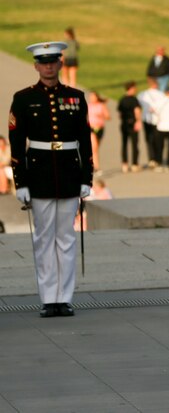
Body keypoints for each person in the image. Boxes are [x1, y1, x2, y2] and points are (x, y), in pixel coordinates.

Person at [8, 41, 93, 318]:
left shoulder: (76, 97)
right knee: (44, 239)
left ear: (60, 64)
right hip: (40, 172)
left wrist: (86, 177)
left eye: (52, 61)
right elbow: (17, 141)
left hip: (68, 172)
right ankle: (48, 298)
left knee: (66, 238)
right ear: (35, 66)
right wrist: (20, 181)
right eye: (43, 62)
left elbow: (84, 140)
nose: (48, 66)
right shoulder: (23, 98)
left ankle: (64, 298)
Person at [137, 78, 165, 169]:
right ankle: (158, 158)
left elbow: (138, 106)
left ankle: (151, 158)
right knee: (158, 140)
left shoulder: (142, 94)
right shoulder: (161, 95)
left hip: (146, 119)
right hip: (158, 120)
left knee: (149, 139)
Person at [117, 81, 142, 173]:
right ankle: (134, 164)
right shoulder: (134, 99)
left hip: (124, 124)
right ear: (131, 88)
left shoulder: (122, 99)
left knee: (124, 144)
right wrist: (138, 121)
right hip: (132, 123)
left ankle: (125, 164)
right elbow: (137, 111)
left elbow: (119, 114)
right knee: (134, 144)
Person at [86, 90, 110, 172]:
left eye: (93, 96)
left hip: (100, 128)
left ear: (97, 97)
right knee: (94, 147)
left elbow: (108, 117)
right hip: (91, 128)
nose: (91, 98)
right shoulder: (88, 106)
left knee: (96, 148)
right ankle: (96, 167)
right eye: (90, 97)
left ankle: (91, 162)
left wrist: (101, 115)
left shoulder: (101, 106)